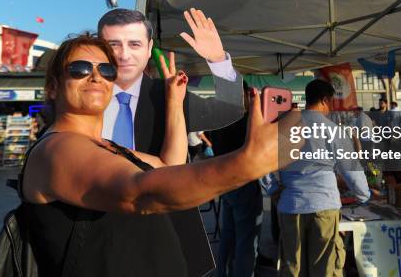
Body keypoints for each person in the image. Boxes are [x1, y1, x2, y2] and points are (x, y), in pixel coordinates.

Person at [21, 33, 284, 276]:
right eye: (80, 69)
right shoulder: (56, 149)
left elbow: (169, 166)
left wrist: (173, 102)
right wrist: (248, 163)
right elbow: (139, 193)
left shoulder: (107, 146)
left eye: (106, 70)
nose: (96, 77)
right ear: (53, 87)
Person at [98, 8, 244, 154]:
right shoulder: (81, 95)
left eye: (134, 44)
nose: (124, 55)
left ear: (149, 49)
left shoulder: (170, 96)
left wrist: (218, 59)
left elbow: (229, 111)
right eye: (114, 45)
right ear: (99, 48)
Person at [263, 79, 370, 277]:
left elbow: (260, 162)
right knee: (325, 268)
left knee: (293, 268)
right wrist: (364, 196)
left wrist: (272, 188)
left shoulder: (284, 127)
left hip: (290, 205)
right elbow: (352, 170)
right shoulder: (334, 130)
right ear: (324, 100)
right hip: (324, 206)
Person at [209, 82, 263, 277]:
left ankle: (221, 273)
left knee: (228, 236)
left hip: (224, 184)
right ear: (245, 94)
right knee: (246, 242)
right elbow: (258, 150)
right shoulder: (246, 119)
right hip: (244, 182)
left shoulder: (218, 120)